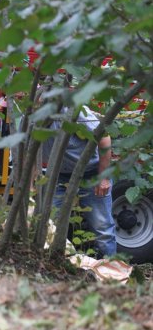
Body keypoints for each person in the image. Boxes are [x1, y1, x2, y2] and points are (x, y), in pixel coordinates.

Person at [44, 106, 116, 257]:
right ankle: (54, 266)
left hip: (91, 173)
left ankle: (110, 275)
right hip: (59, 175)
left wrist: (103, 178)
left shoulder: (74, 111)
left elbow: (104, 138)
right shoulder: (30, 117)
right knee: (49, 223)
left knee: (102, 228)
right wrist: (32, 183)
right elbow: (28, 150)